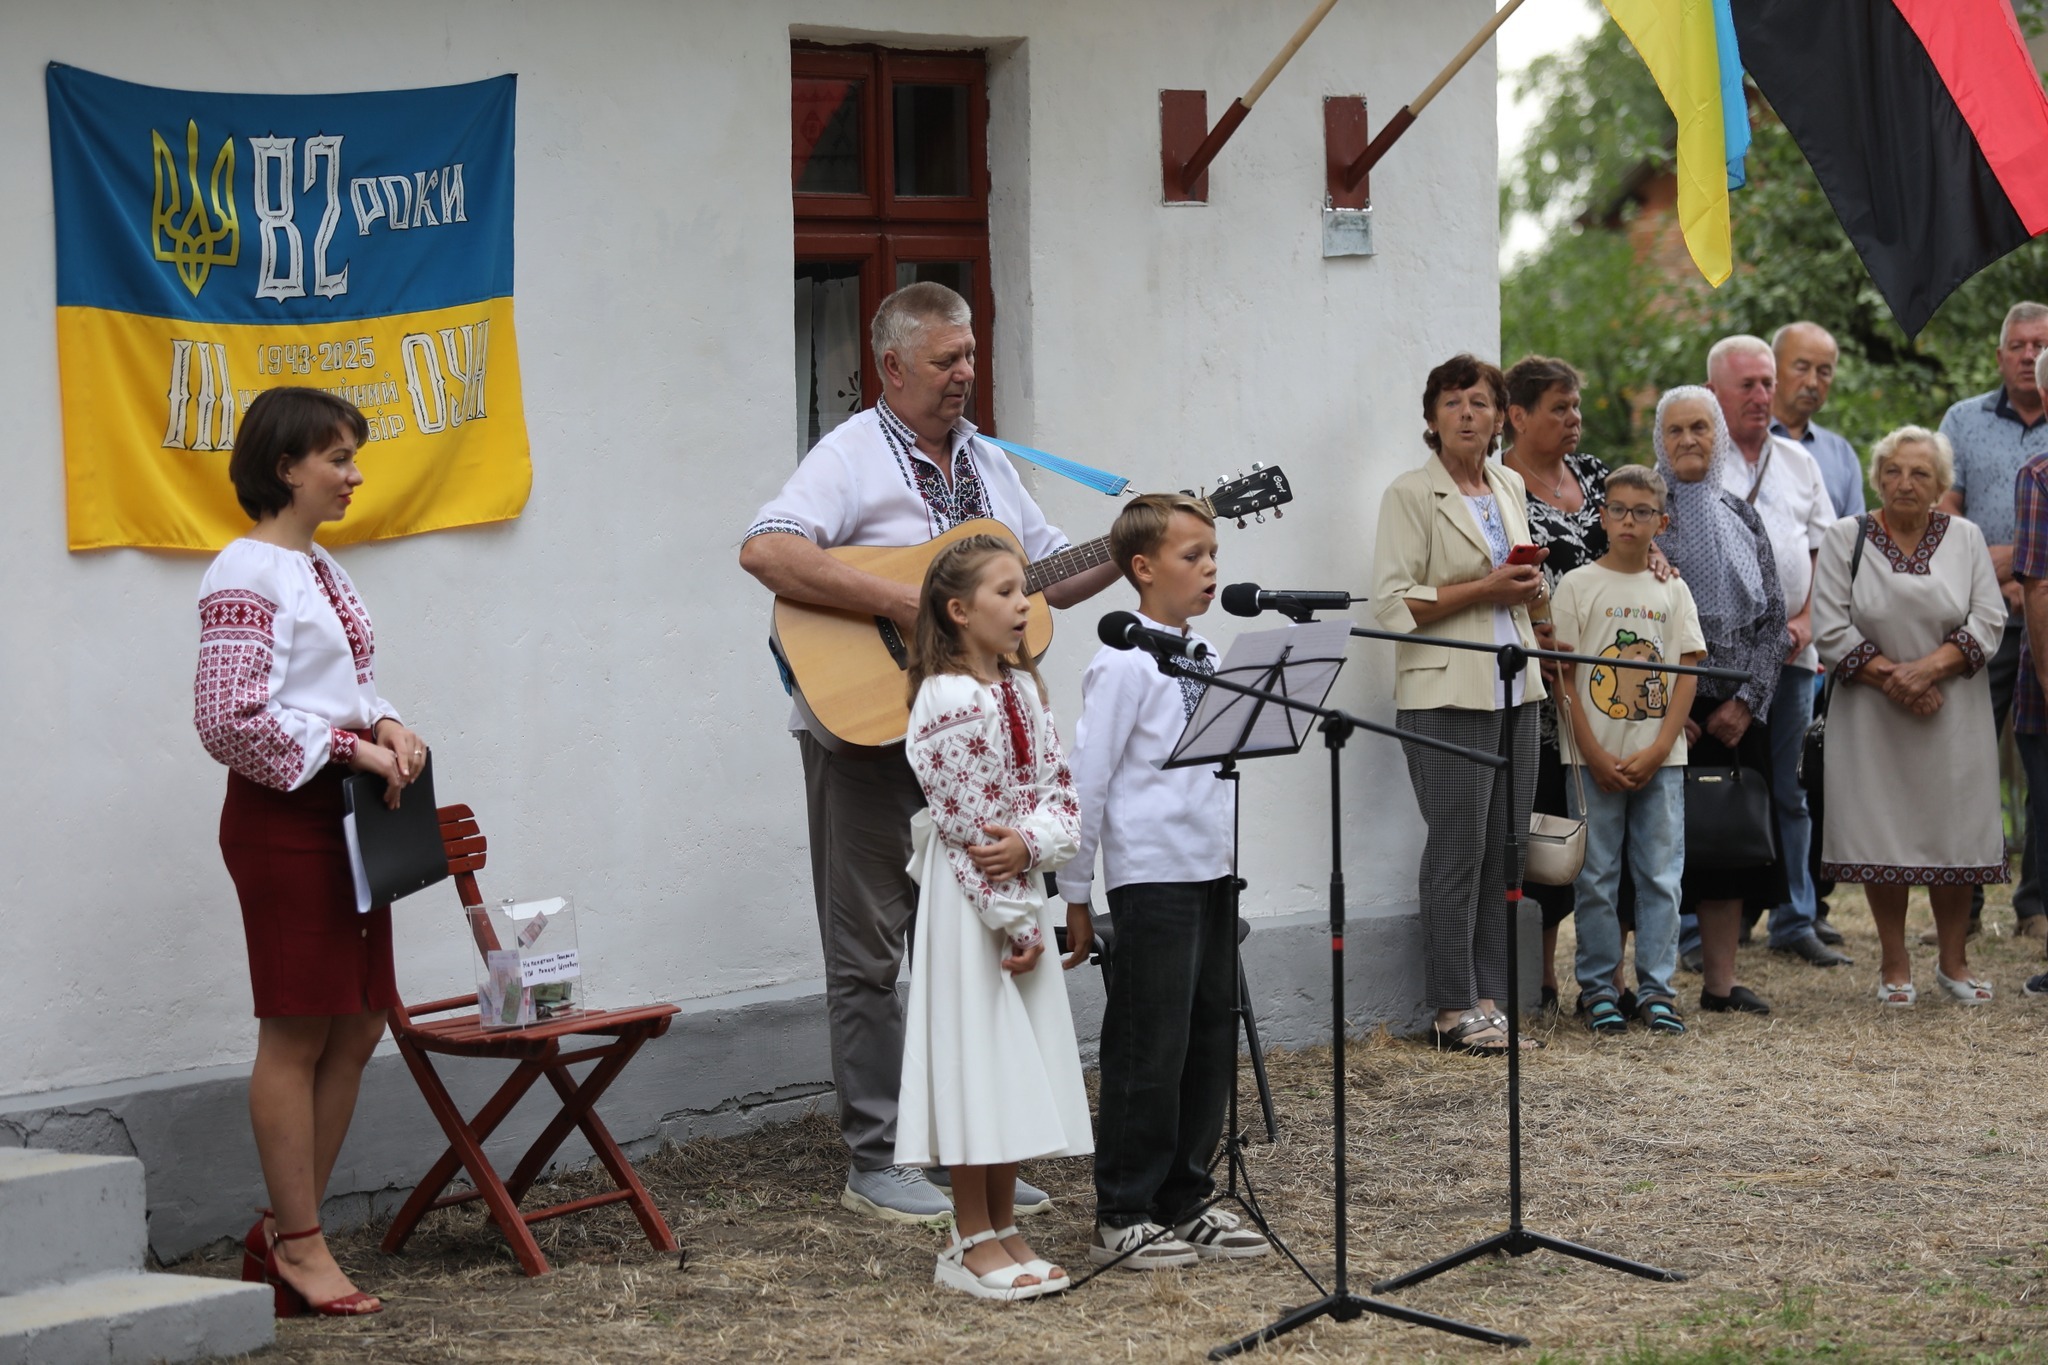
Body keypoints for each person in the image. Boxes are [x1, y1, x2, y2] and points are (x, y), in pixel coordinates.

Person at [739, 282, 1118, 1223]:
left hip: (978, 747)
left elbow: (1053, 577)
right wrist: (905, 605)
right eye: (946, 359)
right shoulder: (852, 453)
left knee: (971, 938)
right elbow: (767, 549)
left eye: (971, 354)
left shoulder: (991, 462)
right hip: (868, 734)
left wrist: (1137, 543)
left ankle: (967, 1148)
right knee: (868, 953)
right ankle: (877, 1156)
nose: (965, 373)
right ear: (892, 367)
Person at [194, 388, 430, 1318]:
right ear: (285, 466)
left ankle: (289, 1232)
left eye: (353, 455)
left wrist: (388, 721)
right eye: (338, 457)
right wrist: (349, 748)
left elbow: (345, 683)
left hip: (346, 817)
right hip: (284, 819)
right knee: (296, 1028)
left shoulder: (318, 565)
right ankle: (299, 1242)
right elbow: (228, 719)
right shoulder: (245, 570)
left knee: (362, 1019)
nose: (354, 474)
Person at [1059, 494, 1270, 1270]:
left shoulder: (1206, 652)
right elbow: (1088, 779)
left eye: (1214, 554)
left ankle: (1185, 1195)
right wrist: (1075, 892)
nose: (1210, 568)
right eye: (1192, 555)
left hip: (1212, 870)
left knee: (1208, 1036)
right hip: (1152, 876)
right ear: (1143, 568)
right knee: (1150, 1043)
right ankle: (1123, 1206)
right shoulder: (1121, 662)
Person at [897, 534, 1091, 1300]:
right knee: (977, 1059)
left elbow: (1061, 798)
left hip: (1018, 893)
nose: (1023, 604)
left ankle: (1005, 1225)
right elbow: (966, 824)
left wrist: (1031, 845)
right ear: (957, 609)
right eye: (1005, 592)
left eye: (1024, 591)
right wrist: (1017, 920)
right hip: (973, 906)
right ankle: (969, 1236)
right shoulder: (946, 698)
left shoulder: (1022, 688)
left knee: (1014, 1063)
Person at [1371, 354, 1548, 1056]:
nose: (1467, 414)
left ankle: (1490, 1000)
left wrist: (1530, 589)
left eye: (1479, 401)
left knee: (1507, 850)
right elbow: (1391, 604)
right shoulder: (1410, 494)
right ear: (1431, 418)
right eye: (1452, 403)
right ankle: (1451, 1008)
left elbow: (1513, 584)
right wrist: (1488, 589)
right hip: (1446, 691)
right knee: (1458, 850)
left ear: (1501, 416)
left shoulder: (1508, 483)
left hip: (1517, 686)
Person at [1501, 355, 1673, 1008]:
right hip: (1544, 687)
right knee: (1552, 827)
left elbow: (1639, 533)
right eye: (1560, 408)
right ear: (1518, 416)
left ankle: (1613, 975)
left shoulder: (1598, 476)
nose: (1574, 418)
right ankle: (1544, 972)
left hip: (1615, 689)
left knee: (1619, 840)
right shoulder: (1500, 486)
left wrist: (1656, 555)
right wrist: (1530, 634)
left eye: (1576, 406)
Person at [1813, 428, 2006, 1006]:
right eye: (1894, 470)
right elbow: (1829, 627)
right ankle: (1894, 964)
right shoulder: (1844, 536)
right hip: (1870, 717)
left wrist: (1927, 671)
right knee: (1883, 833)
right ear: (1877, 478)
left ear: (1941, 484)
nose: (1905, 483)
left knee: (1954, 835)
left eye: (1920, 473)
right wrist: (1898, 681)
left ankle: (1954, 962)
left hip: (1953, 712)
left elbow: (1988, 619)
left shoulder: (1966, 538)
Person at [1705, 336, 1850, 968]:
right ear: (1713, 392)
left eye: (1767, 383)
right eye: (1748, 385)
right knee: (1710, 787)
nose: (1762, 396)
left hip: (1792, 655)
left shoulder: (1797, 461)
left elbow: (1825, 554)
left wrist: (1806, 622)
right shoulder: (1695, 458)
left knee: (1791, 789)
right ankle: (1699, 929)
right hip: (1717, 664)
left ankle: (1796, 917)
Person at [1551, 467, 1706, 1035]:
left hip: (1659, 762)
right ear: (1602, 516)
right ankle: (1598, 989)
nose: (1628, 521)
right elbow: (1563, 677)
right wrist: (1590, 752)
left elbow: (1686, 671)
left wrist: (1661, 746)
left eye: (1642, 512)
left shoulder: (1673, 590)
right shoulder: (1576, 586)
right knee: (1595, 876)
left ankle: (1657, 990)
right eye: (1617, 509)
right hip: (1590, 760)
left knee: (1661, 875)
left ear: (1661, 522)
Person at [1653, 386, 1788, 1015]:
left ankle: (1720, 985)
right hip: (1665, 709)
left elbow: (1775, 621)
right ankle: (1632, 986)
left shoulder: (1743, 515)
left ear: (1719, 437)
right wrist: (1667, 708)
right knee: (1649, 845)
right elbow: (1631, 620)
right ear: (1660, 442)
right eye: (1675, 430)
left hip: (1733, 714)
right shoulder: (1644, 517)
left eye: (1700, 428)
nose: (1688, 440)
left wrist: (1749, 702)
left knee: (1726, 843)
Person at [1938, 301, 2048, 943]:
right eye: (2019, 345)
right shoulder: (1963, 419)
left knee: (2044, 765)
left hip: (2045, 614)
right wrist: (2008, 572)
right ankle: (1966, 907)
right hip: (1981, 615)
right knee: (1968, 760)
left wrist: (2027, 574)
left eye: (2041, 344)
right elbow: (1943, 517)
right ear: (2000, 354)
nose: (2030, 355)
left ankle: (2035, 905)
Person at [1770, 322, 1866, 520]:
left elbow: (1853, 534)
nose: (1812, 382)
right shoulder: (1741, 442)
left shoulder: (1841, 456)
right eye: (1801, 368)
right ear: (1773, 368)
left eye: (1824, 372)